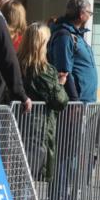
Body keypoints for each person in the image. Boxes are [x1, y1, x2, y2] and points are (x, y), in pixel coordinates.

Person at [17, 22, 68, 182]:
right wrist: (59, 84)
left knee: (18, 176)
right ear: (42, 44)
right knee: (27, 177)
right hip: (36, 129)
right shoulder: (44, 70)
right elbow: (60, 101)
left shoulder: (16, 63)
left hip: (17, 124)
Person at [49, 0, 98, 103]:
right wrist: (74, 101)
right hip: (76, 103)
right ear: (81, 14)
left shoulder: (77, 35)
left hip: (85, 101)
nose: (90, 16)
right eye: (89, 13)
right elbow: (64, 72)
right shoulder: (65, 36)